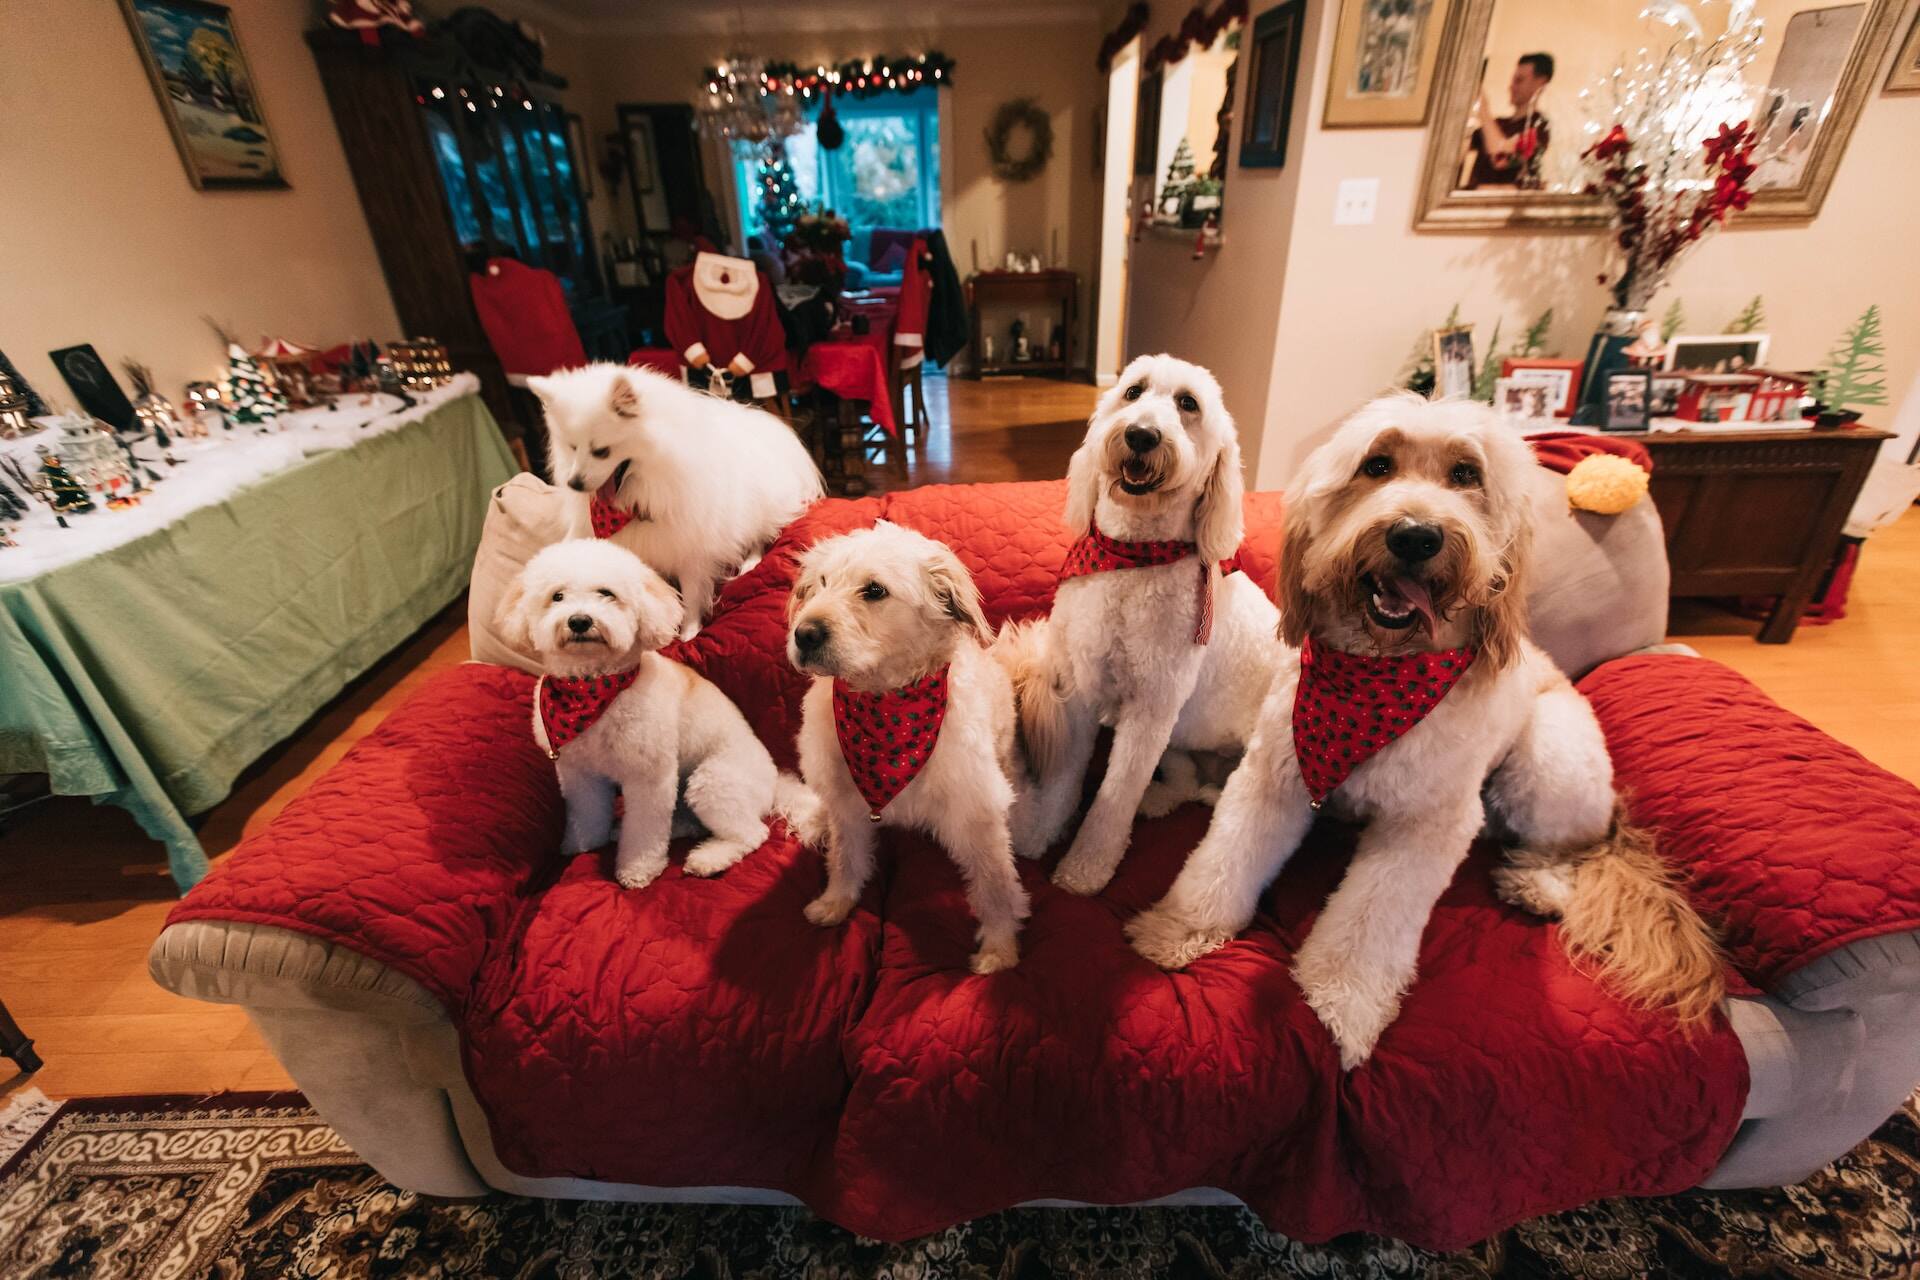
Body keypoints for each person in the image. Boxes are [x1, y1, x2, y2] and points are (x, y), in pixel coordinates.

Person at [1465, 53, 1553, 189]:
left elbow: (1501, 157)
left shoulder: (1540, 126)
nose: (1511, 87)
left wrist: (1483, 109)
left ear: (1540, 83)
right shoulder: (1498, 123)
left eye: (1519, 80)